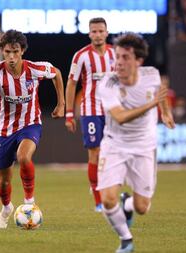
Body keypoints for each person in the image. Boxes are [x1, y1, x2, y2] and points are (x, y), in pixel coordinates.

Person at [0, 30, 65, 229]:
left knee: (24, 157)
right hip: (5, 129)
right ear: (2, 51)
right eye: (7, 52)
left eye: (15, 52)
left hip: (30, 124)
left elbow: (57, 73)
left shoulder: (34, 69)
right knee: (3, 180)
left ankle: (29, 202)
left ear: (22, 51)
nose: (11, 57)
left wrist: (61, 103)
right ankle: (7, 208)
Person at [96, 33, 175, 253]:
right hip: (114, 145)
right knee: (108, 200)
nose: (118, 62)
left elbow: (161, 93)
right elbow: (120, 116)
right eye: (117, 56)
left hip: (144, 147)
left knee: (142, 208)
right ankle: (126, 240)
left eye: (125, 57)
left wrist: (166, 112)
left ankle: (128, 203)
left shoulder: (152, 75)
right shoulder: (107, 83)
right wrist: (152, 106)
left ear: (138, 61)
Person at [64, 17, 115, 212]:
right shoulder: (81, 56)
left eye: (101, 31)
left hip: (112, 111)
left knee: (111, 154)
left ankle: (106, 188)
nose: (97, 34)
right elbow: (71, 83)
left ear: (107, 32)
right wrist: (69, 114)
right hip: (90, 111)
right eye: (94, 31)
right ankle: (98, 200)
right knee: (94, 152)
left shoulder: (115, 54)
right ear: (89, 34)